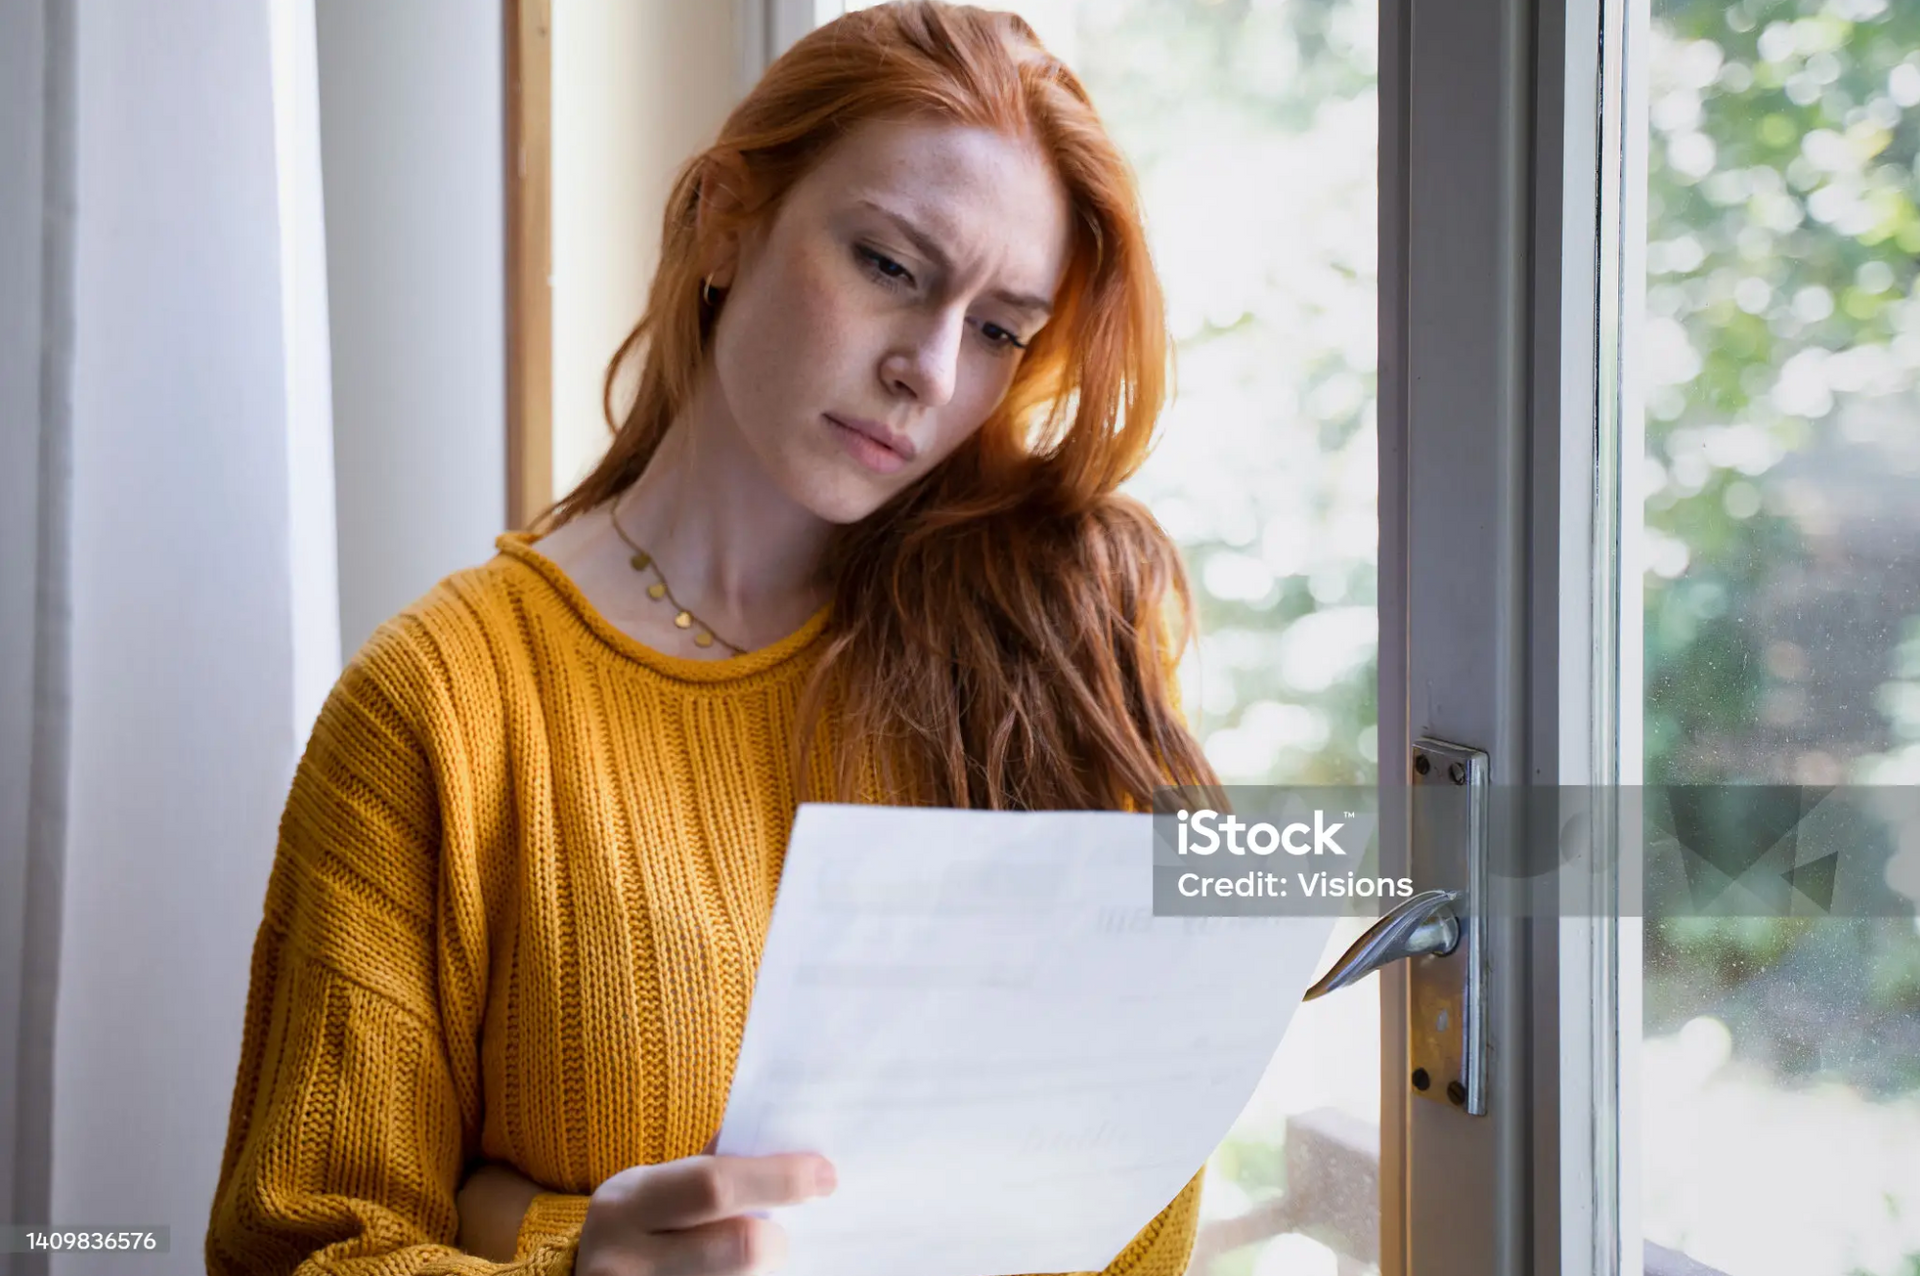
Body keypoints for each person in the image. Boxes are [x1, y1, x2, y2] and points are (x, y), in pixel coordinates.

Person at [204, 3, 1221, 1274]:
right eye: (892, 266)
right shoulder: (446, 707)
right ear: (728, 217)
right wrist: (575, 1265)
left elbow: (1126, 1202)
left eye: (1001, 328)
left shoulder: (1046, 655)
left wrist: (516, 1211)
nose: (931, 367)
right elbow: (299, 1247)